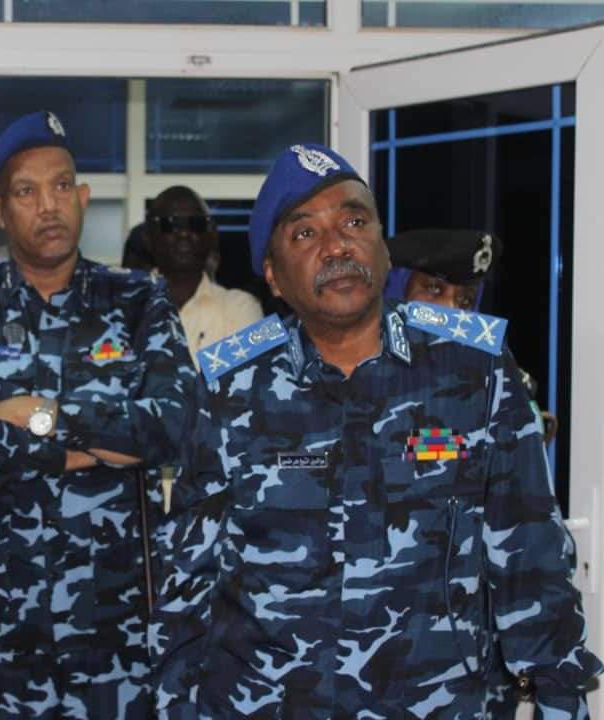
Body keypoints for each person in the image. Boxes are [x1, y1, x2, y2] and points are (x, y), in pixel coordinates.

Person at [153, 143, 602, 718]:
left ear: (384, 251)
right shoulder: (229, 388)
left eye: (354, 222)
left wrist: (562, 703)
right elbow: (186, 582)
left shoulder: (476, 370)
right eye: (305, 234)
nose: (337, 245)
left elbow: (532, 559)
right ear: (274, 277)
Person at [0, 110, 195, 719]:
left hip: (116, 626)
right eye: (26, 191)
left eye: (62, 185)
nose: (49, 205)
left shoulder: (139, 300)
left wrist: (39, 416)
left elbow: (171, 427)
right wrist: (101, 444)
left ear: (83, 197)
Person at [386, 228, 557, 443]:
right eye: (434, 289)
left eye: (465, 300)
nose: (452, 310)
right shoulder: (360, 368)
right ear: (396, 289)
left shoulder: (493, 377)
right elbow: (387, 448)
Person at [146, 186, 262, 367]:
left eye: (195, 224)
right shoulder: (122, 307)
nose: (184, 233)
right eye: (171, 224)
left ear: (211, 236)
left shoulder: (242, 307)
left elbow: (247, 378)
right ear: (149, 237)